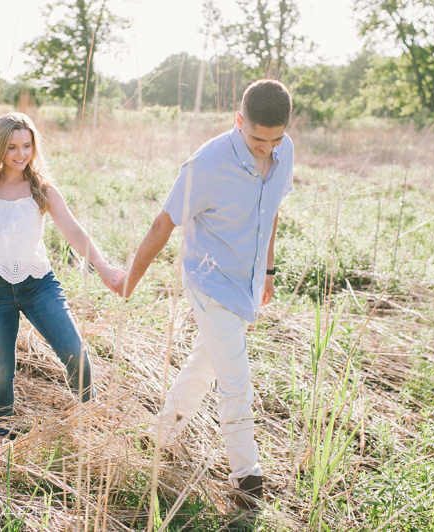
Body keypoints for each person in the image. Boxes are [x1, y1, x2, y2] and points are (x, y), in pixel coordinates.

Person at [111, 80, 294, 511]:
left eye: (275, 139)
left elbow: (270, 212)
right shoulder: (206, 164)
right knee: (236, 382)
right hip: (209, 281)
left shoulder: (284, 152)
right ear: (238, 121)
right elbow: (162, 225)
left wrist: (267, 269)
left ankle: (158, 435)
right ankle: (247, 480)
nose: (265, 148)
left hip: (245, 282)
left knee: (208, 362)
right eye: (256, 138)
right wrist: (129, 281)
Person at [0, 112, 124, 444]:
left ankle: (92, 419)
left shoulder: (40, 188)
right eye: (12, 147)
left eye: (27, 146)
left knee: (75, 352)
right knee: (0, 373)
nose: (20, 155)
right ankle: (0, 435)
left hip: (38, 286)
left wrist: (102, 266)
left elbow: (73, 230)